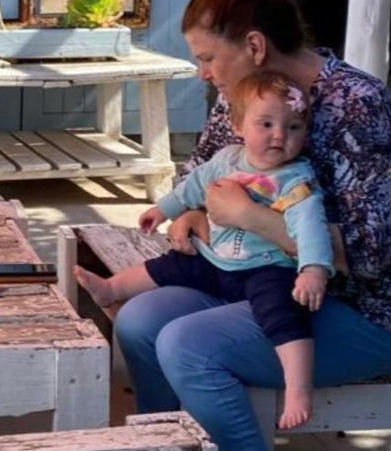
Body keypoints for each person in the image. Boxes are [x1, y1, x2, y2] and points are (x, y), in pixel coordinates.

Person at [116, 0, 391, 451]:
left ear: (254, 45)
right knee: (141, 320)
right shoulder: (239, 101)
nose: (203, 73)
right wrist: (196, 213)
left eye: (208, 57)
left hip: (362, 311)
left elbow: (373, 253)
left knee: (189, 345)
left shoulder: (358, 106)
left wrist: (253, 217)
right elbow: (201, 183)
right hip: (248, 280)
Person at [74, 70, 332, 430]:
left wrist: (313, 270)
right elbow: (192, 187)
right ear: (238, 125)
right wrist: (164, 209)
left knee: (284, 313)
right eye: (267, 124)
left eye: (293, 128)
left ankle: (298, 388)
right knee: (170, 264)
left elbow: (310, 230)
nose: (279, 135)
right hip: (217, 258)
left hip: (267, 268)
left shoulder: (296, 181)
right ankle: (112, 289)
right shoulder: (226, 160)